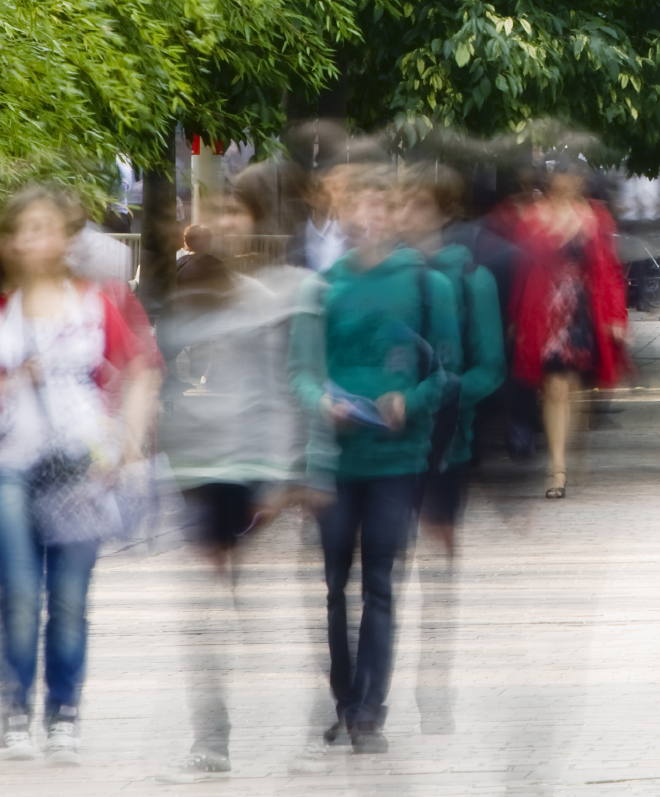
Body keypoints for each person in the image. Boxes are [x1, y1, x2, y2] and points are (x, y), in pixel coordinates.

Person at [289, 161, 459, 756]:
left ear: (396, 215)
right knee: (335, 587)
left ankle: (369, 712)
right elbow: (302, 373)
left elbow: (445, 373)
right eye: (354, 206)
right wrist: (323, 402)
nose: (367, 217)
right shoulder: (323, 288)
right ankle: (344, 695)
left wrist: (406, 401)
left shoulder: (426, 287)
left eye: (379, 207)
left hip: (396, 458)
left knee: (380, 584)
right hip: (335, 458)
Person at [158, 164, 311, 779]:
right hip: (199, 465)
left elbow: (280, 391)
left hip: (250, 462)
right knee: (208, 599)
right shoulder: (187, 292)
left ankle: (305, 710)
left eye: (235, 213)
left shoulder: (268, 300)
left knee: (237, 597)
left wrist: (279, 474)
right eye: (216, 213)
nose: (222, 223)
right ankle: (211, 734)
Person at [0, 185, 161, 763]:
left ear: (66, 239)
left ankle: (63, 711)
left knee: (69, 597)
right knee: (18, 592)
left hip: (80, 468)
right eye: (20, 229)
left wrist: (131, 444)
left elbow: (141, 369)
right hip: (11, 466)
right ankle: (13, 709)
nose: (29, 239)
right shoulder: (3, 308)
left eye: (42, 227)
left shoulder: (97, 302)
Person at [398, 163, 504, 734]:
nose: (402, 216)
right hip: (384, 442)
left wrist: (450, 394)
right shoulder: (385, 277)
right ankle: (367, 694)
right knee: (382, 566)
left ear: (441, 212)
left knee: (435, 567)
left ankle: (432, 679)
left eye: (415, 205)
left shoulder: (472, 280)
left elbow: (492, 367)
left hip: (445, 444)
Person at [499, 155, 628, 500]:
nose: (566, 183)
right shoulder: (533, 216)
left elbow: (611, 270)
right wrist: (515, 316)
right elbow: (522, 268)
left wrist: (617, 316)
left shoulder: (597, 215)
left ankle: (571, 447)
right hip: (545, 310)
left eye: (572, 177)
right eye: (560, 177)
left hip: (585, 309)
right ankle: (557, 467)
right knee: (555, 385)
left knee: (574, 387)